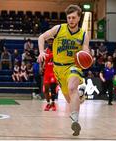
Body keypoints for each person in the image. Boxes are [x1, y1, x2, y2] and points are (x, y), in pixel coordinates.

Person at [37, 4, 90, 136]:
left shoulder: (83, 35)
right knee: (70, 98)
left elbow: (85, 51)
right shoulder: (59, 28)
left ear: (78, 18)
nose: (70, 20)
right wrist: (41, 52)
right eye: (69, 17)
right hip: (58, 68)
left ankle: (75, 121)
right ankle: (81, 96)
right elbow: (41, 37)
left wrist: (86, 56)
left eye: (73, 17)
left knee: (72, 88)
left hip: (73, 66)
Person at [42, 45, 57, 111]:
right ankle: (48, 103)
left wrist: (46, 55)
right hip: (47, 73)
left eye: (52, 41)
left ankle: (53, 103)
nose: (50, 42)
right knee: (46, 90)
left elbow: (49, 56)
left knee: (53, 89)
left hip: (54, 73)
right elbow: (43, 60)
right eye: (49, 40)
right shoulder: (46, 50)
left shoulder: (57, 50)